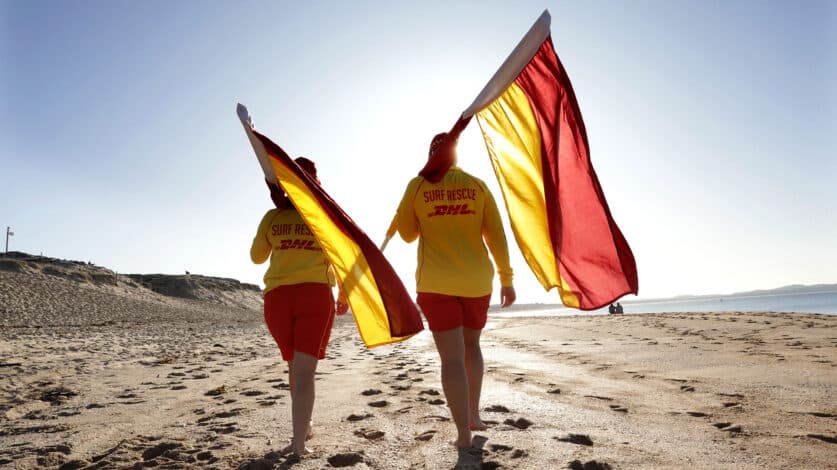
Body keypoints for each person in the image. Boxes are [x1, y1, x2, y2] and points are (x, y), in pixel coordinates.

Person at [395, 132, 516, 449]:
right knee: (471, 346)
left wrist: (405, 210)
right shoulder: (477, 185)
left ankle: (463, 434)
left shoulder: (418, 186)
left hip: (436, 283)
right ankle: (473, 415)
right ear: (456, 155)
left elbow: (407, 234)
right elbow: (497, 237)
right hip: (476, 281)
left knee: (451, 359)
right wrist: (506, 278)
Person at [250, 157, 346, 457]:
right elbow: (345, 258)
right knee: (304, 372)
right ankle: (299, 442)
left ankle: (302, 429)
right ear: (315, 184)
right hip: (315, 296)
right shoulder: (324, 216)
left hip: (277, 298)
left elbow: (256, 256)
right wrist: (343, 295)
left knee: (295, 368)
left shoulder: (272, 217)